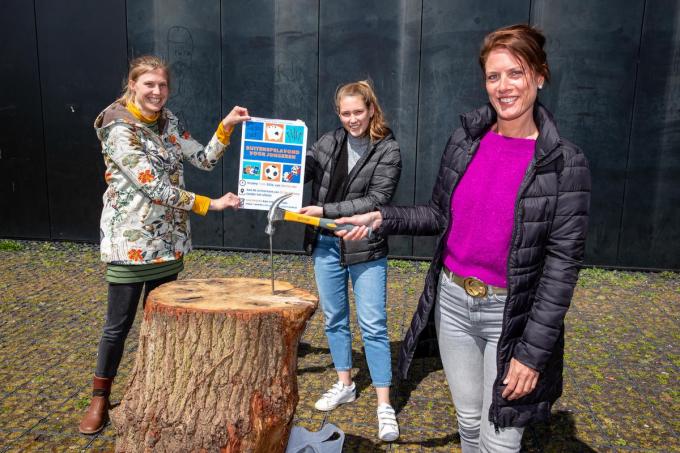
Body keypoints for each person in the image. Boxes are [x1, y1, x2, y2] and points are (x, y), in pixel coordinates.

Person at [336, 25, 591, 452]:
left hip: (511, 315)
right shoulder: (466, 140)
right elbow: (438, 214)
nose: (504, 86)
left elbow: (562, 269)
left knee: (501, 439)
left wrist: (531, 354)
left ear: (541, 76)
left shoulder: (566, 163)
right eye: (494, 76)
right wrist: (383, 216)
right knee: (470, 424)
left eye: (516, 73)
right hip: (452, 306)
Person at [78, 55, 251, 434]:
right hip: (132, 242)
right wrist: (210, 204)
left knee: (163, 325)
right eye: (149, 85)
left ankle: (155, 393)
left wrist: (226, 126)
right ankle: (100, 398)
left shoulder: (170, 121)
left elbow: (203, 160)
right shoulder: (118, 126)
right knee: (117, 326)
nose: (157, 92)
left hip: (168, 243)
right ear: (133, 84)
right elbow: (152, 187)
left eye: (162, 85)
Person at [299, 80, 402, 442]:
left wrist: (325, 210)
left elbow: (377, 199)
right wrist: (277, 149)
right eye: (346, 113)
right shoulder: (328, 142)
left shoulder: (388, 150)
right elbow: (300, 170)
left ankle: (384, 403)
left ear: (371, 109)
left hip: (366, 246)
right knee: (334, 318)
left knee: (373, 324)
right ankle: (345, 383)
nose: (353, 119)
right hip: (326, 244)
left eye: (359, 111)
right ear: (338, 114)